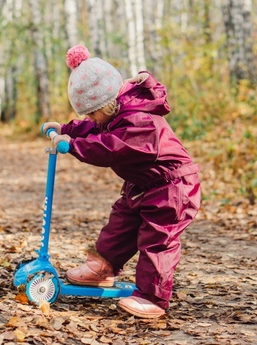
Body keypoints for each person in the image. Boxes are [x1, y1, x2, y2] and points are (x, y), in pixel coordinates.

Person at [42, 45, 201, 318]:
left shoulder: (140, 121)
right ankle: (102, 267)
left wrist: (75, 146)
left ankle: (153, 297)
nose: (90, 120)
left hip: (173, 189)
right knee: (121, 223)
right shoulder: (113, 113)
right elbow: (95, 128)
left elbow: (110, 147)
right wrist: (66, 130)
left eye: (92, 113)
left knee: (156, 240)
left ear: (106, 104)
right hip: (143, 186)